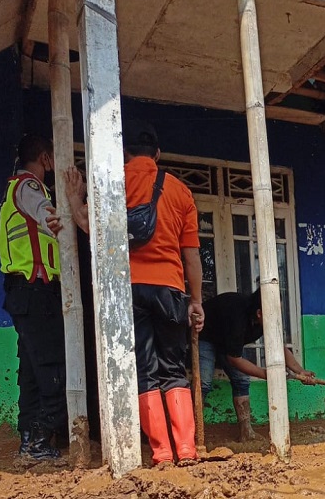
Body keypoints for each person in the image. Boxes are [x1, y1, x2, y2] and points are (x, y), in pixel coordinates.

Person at [63, 120, 205, 466]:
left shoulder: (113, 184)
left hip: (127, 290)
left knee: (144, 369)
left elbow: (89, 226)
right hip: (170, 288)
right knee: (174, 369)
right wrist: (196, 300)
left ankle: (161, 452)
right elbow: (191, 256)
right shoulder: (180, 192)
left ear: (124, 152)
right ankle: (186, 450)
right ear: (158, 153)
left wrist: (74, 197)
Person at [0, 134, 66, 460]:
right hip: (36, 290)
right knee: (52, 369)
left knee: (31, 373)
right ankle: (39, 441)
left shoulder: (12, 190)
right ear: (45, 158)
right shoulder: (29, 187)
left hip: (22, 292)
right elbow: (50, 218)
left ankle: (28, 441)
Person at [198, 289, 316, 441]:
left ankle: (246, 433)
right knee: (203, 384)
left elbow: (279, 346)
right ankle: (193, 434)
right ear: (259, 313)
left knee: (242, 381)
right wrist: (266, 374)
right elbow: (234, 359)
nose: (277, 317)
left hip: (228, 341)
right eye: (274, 312)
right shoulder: (238, 317)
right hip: (206, 335)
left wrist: (300, 371)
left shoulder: (266, 319)